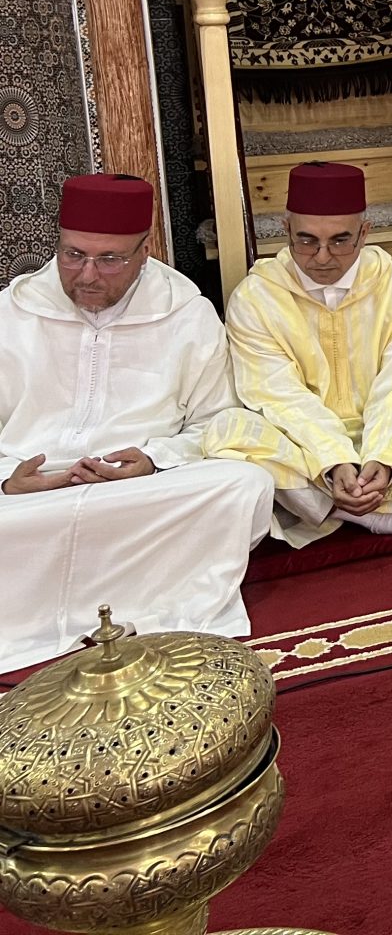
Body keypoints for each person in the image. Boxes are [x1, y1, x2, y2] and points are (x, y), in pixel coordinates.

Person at [1, 175, 272, 671]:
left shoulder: (187, 314)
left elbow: (218, 419)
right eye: (73, 255)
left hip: (135, 494)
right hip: (28, 500)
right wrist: (8, 479)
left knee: (246, 482)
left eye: (109, 259)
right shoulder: (11, 313)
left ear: (145, 252)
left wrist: (155, 459)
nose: (87, 275)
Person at [209, 162, 392, 546]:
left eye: (340, 241)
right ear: (286, 230)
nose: (322, 257)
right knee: (228, 434)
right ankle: (378, 519)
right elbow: (277, 394)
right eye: (306, 241)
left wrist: (385, 459)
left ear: (364, 233)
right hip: (301, 442)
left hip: (385, 432)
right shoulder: (256, 298)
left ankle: (340, 507)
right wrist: (333, 460)